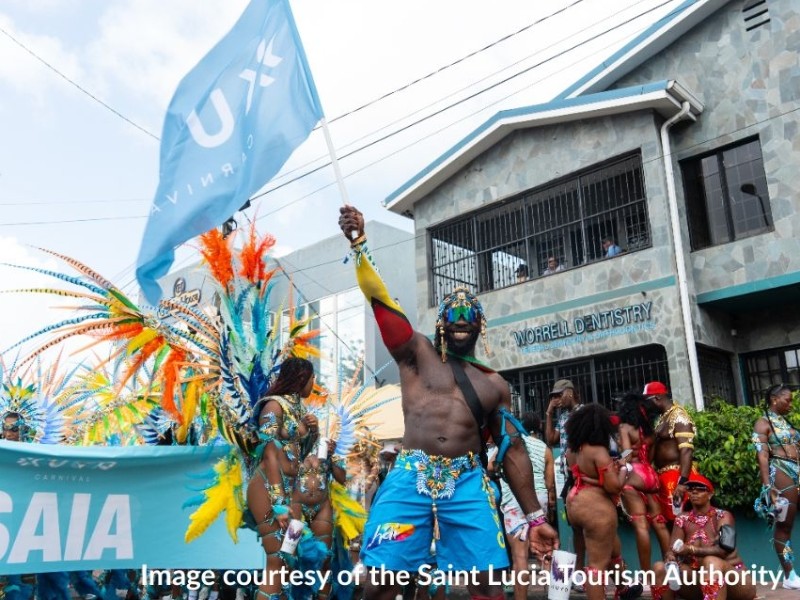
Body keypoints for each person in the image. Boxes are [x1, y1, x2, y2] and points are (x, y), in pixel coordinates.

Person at [339, 205, 558, 600]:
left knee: (489, 584)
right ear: (441, 323)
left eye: (468, 315)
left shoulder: (493, 384)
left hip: (467, 483)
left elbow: (513, 451)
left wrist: (534, 516)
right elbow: (380, 299)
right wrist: (360, 244)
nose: (460, 318)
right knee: (381, 583)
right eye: (452, 314)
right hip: (409, 478)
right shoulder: (415, 352)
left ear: (479, 325)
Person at [245, 357, 320, 600]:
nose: (314, 383)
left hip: (288, 489)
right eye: (312, 378)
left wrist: (313, 431)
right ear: (301, 379)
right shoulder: (274, 406)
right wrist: (279, 503)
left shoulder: (298, 409)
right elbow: (269, 454)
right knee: (276, 561)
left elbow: (298, 455)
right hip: (267, 487)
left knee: (288, 561)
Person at [650, 474, 756, 600]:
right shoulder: (682, 519)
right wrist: (670, 557)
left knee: (711, 562)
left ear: (710, 494)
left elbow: (724, 549)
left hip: (736, 583)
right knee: (659, 567)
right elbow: (672, 549)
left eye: (700, 489)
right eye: (691, 489)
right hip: (698, 581)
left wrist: (690, 550)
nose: (694, 491)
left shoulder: (723, 516)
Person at [564, 404, 629, 600]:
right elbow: (614, 487)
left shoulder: (572, 451)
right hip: (595, 507)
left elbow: (580, 475)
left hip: (575, 503)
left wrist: (597, 478)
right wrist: (624, 469)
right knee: (597, 567)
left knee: (614, 548)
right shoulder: (598, 451)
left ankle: (623, 588)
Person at [492, 412, 556, 600]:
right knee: (545, 551)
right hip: (539, 500)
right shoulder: (545, 448)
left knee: (520, 556)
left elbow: (490, 466)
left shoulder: (510, 444)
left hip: (514, 500)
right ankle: (555, 595)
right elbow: (549, 483)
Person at [752, 383, 800, 588]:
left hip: (797, 470)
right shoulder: (762, 423)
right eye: (787, 400)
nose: (790, 404)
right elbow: (762, 455)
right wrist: (767, 485)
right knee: (784, 525)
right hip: (780, 472)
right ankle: (790, 576)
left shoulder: (786, 422)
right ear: (774, 399)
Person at [617, 392, 670, 570]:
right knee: (659, 523)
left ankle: (646, 575)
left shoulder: (624, 428)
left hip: (634, 474)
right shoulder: (651, 432)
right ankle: (671, 568)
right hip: (651, 475)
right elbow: (651, 457)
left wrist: (620, 464)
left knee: (641, 525)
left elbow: (625, 454)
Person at [648, 381, 698, 522]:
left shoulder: (679, 416)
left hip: (677, 478)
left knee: (682, 522)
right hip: (664, 477)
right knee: (671, 523)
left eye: (648, 401)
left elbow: (686, 450)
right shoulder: (662, 418)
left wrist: (682, 482)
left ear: (657, 398)